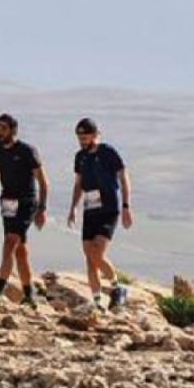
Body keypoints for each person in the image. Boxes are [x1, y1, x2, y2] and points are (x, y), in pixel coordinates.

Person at [0, 112, 49, 305]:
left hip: (26, 202)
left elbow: (43, 181)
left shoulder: (27, 151)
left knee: (10, 242)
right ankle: (29, 295)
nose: (0, 132)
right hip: (7, 202)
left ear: (13, 130)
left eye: (4, 128)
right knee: (19, 250)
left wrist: (41, 209)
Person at [66, 117, 134, 312]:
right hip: (90, 210)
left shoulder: (108, 152)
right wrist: (73, 208)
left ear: (96, 135)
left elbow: (123, 177)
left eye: (86, 137)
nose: (82, 141)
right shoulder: (80, 157)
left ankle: (117, 287)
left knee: (97, 253)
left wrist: (126, 206)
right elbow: (79, 183)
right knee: (89, 257)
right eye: (79, 138)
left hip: (108, 209)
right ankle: (97, 302)